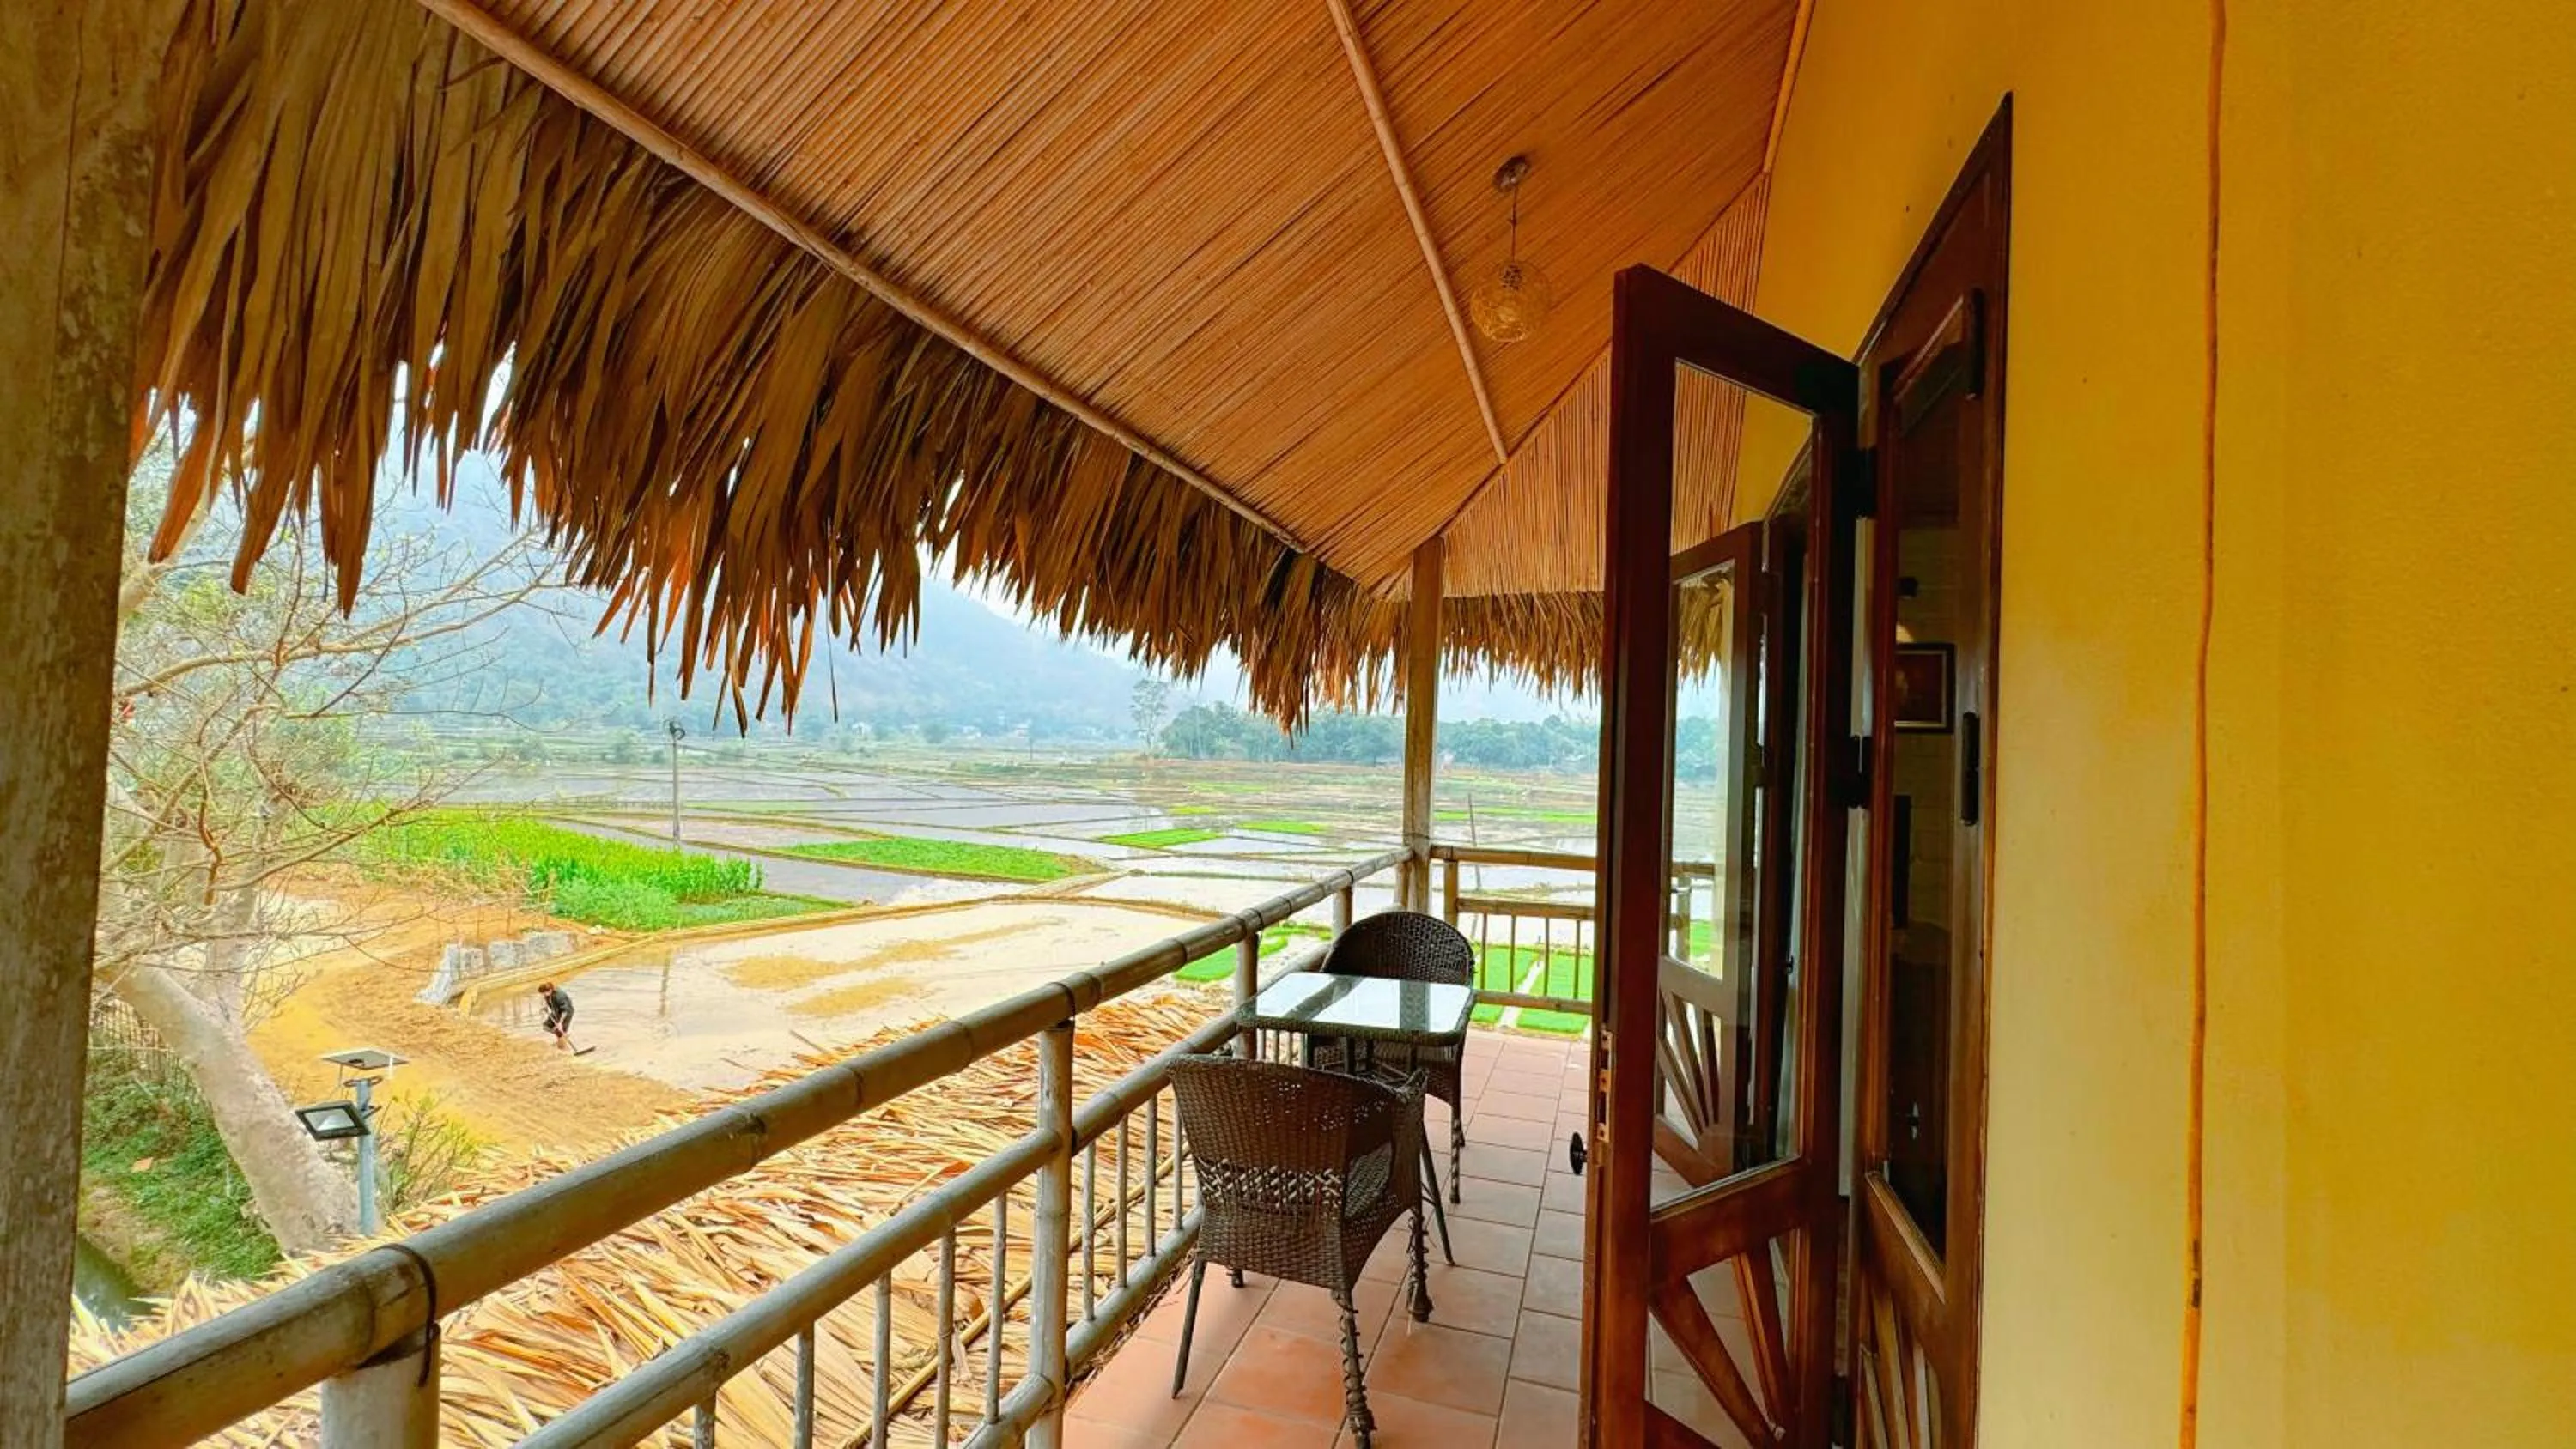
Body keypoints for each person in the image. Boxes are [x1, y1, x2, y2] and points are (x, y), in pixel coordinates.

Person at [536, 980, 579, 1052]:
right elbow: (548, 1001)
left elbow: (565, 1010)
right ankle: (563, 1037)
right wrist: (545, 1007)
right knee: (546, 1026)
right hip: (556, 1011)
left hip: (566, 1013)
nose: (543, 995)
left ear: (549, 990)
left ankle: (564, 1049)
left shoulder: (559, 996)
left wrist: (560, 1023)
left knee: (560, 1030)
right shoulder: (548, 994)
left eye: (544, 993)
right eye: (542, 994)